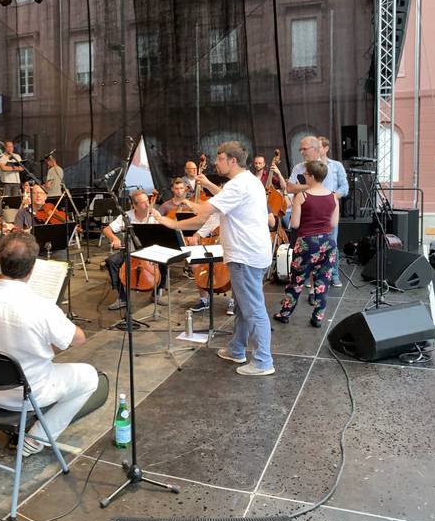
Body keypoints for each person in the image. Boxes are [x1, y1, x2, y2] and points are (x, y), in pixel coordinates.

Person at [0, 232, 97, 457]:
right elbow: (79, 339)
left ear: (0, 262)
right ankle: (36, 438)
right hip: (25, 396)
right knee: (89, 376)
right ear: (32, 269)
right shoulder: (41, 306)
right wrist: (59, 321)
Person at [154, 141, 274, 375]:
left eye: (220, 159)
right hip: (251, 253)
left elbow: (203, 214)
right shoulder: (248, 181)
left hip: (245, 256)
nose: (216, 163)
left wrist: (172, 223)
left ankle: (263, 361)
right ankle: (237, 349)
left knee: (253, 309)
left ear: (232, 161)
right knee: (242, 307)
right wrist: (207, 187)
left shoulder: (238, 185)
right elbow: (224, 201)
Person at [273, 159, 339, 327]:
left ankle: (284, 313)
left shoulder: (302, 196)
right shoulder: (333, 196)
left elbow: (294, 224)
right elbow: (333, 223)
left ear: (312, 177)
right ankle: (318, 318)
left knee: (297, 280)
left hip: (307, 243)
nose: (303, 176)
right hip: (328, 243)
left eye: (306, 173)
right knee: (323, 281)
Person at [287, 135, 348, 286]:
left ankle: (333, 275)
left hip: (327, 211)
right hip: (306, 213)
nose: (301, 152)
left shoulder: (331, 167)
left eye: (304, 149)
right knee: (306, 245)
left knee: (331, 243)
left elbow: (343, 188)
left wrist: (331, 199)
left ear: (315, 149)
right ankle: (308, 276)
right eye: (300, 149)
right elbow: (290, 187)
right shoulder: (298, 168)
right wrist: (311, 187)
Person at [99, 189, 164, 310]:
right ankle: (122, 297)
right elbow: (107, 230)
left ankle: (156, 293)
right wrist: (114, 238)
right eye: (143, 203)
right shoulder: (126, 216)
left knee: (164, 261)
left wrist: (159, 220)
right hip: (131, 251)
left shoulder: (154, 215)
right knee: (111, 261)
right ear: (135, 205)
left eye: (147, 201)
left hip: (151, 251)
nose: (147, 205)